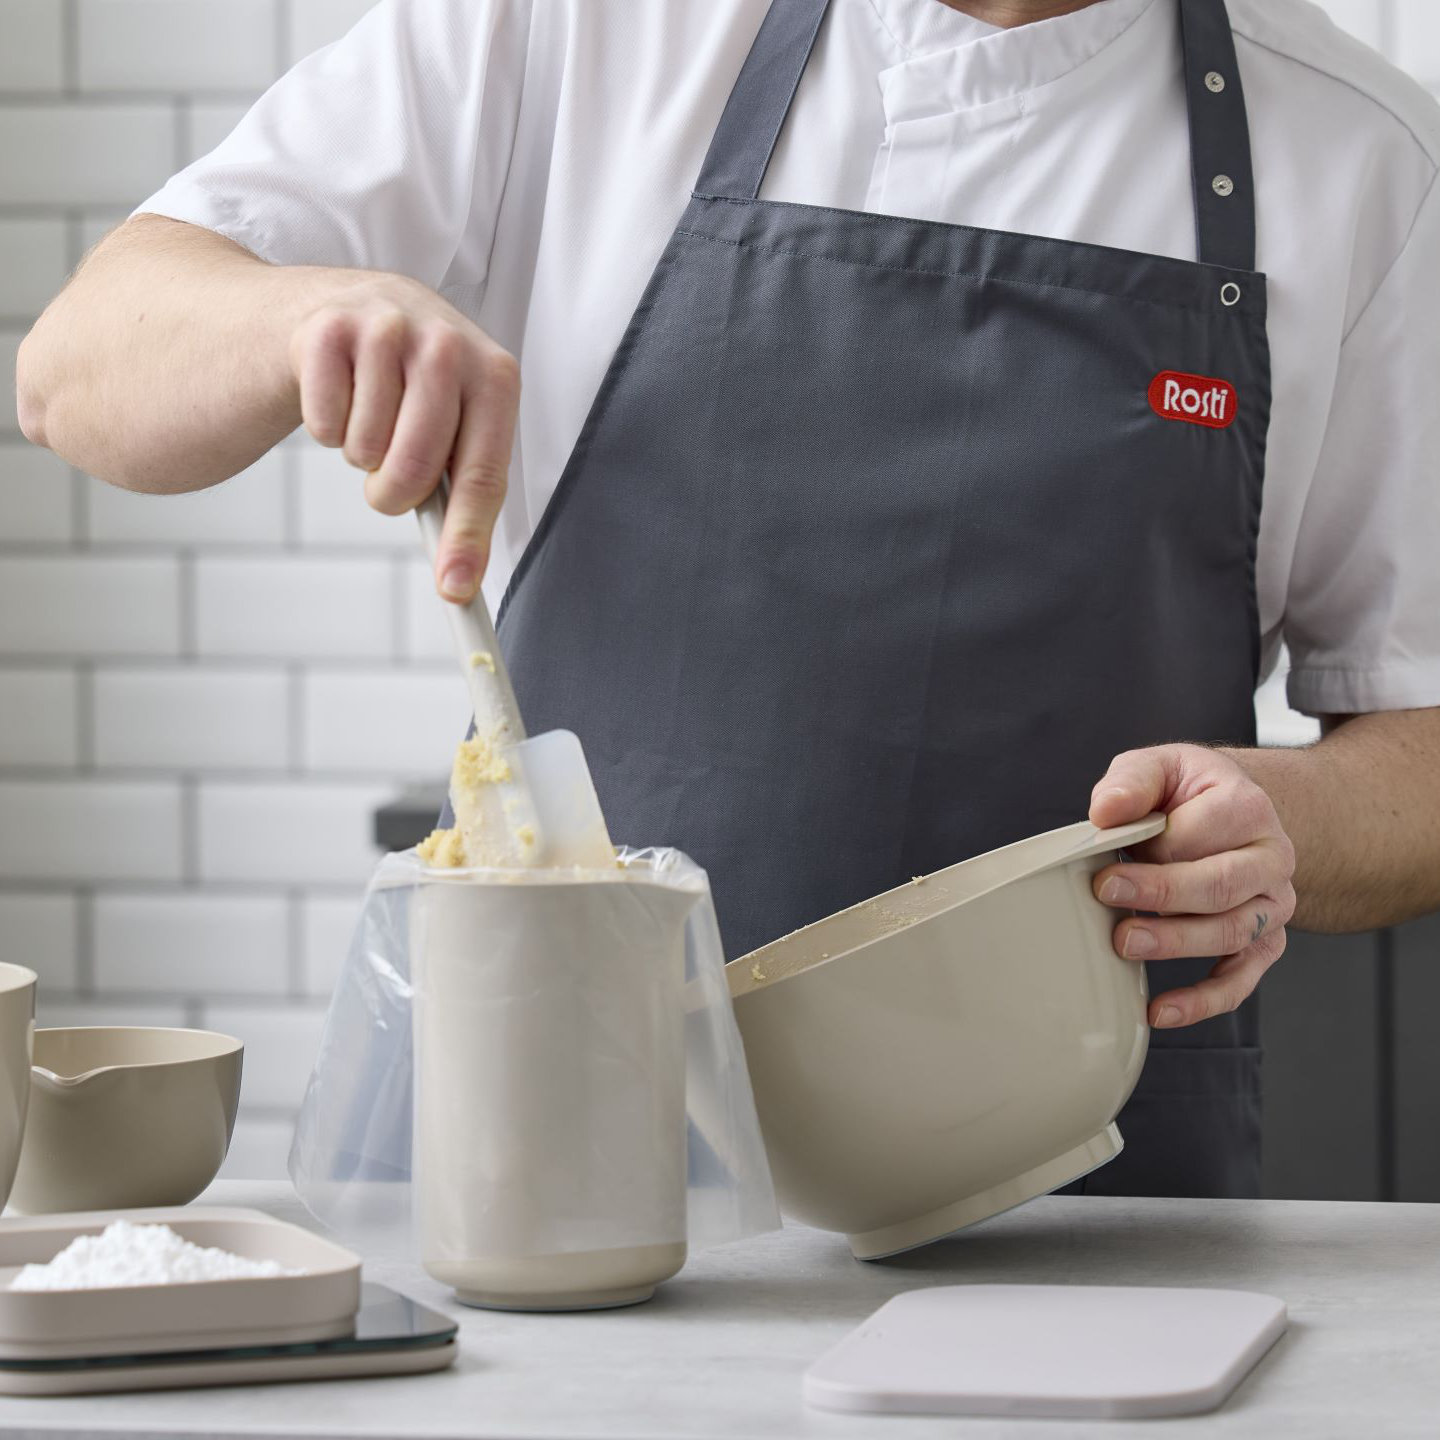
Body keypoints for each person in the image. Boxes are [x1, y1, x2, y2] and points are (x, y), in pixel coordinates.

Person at [15, 0, 1440, 1199]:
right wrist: (293, 320)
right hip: (555, 1171)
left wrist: (1287, 825)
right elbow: (80, 373)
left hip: (1078, 1213)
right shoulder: (575, 32)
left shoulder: (1357, 159)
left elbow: (1422, 743)